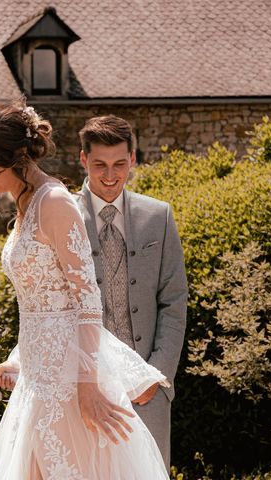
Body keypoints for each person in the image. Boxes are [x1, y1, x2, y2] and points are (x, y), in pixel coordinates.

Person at [0, 100, 170, 479]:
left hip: (69, 381)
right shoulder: (25, 204)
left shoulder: (53, 202)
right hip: (38, 376)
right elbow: (43, 303)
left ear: (16, 156)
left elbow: (86, 301)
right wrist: (17, 358)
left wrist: (88, 388)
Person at [74, 115, 188, 468]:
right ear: (83, 160)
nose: (110, 176)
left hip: (147, 390)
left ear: (133, 159)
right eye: (100, 165)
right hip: (84, 387)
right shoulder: (63, 217)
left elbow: (174, 301)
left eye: (120, 164)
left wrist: (156, 374)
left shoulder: (159, 216)